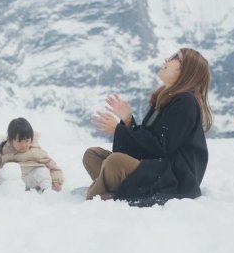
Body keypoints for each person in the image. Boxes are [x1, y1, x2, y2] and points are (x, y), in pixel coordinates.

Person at [85, 48, 213, 206]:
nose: (166, 59)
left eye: (175, 57)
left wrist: (118, 130)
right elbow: (147, 145)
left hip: (173, 178)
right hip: (155, 169)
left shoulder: (186, 102)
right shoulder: (166, 99)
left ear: (186, 70)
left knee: (114, 162)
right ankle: (117, 190)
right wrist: (127, 121)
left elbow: (161, 148)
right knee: (92, 155)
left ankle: (96, 196)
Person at [0, 118, 64, 192]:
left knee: (42, 171)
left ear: (31, 139)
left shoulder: (36, 151)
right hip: (11, 182)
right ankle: (12, 192)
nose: (23, 145)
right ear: (11, 140)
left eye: (27, 140)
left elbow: (53, 166)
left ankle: (46, 190)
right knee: (6, 170)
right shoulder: (4, 150)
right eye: (19, 141)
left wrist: (56, 180)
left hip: (31, 180)